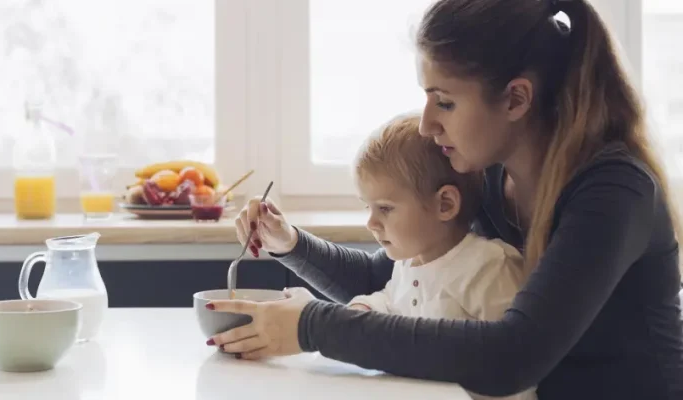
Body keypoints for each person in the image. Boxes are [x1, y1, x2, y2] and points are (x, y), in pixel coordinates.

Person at [205, 0, 683, 399]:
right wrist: (291, 244)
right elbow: (399, 279)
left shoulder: (613, 193)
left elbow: (512, 354)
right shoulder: (492, 178)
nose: (426, 124)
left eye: (445, 101)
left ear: (516, 99)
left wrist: (312, 327)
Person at [348, 114, 535, 400]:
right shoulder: (407, 263)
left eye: (385, 208)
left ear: (445, 204)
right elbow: (390, 302)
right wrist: (363, 309)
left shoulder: (489, 267)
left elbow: (517, 371)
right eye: (368, 208)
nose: (371, 223)